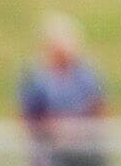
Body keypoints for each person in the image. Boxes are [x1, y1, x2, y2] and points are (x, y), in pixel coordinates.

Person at [17, 14, 108, 166]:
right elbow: (27, 115)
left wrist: (82, 130)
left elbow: (100, 107)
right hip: (50, 149)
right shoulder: (35, 76)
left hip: (84, 149)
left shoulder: (86, 73)